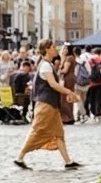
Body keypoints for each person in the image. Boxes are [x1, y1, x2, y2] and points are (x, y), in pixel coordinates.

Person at [13, 38, 82, 170]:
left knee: (58, 133)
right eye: (54, 47)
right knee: (37, 131)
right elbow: (53, 84)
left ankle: (68, 161)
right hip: (45, 105)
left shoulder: (47, 64)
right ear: (47, 49)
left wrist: (62, 56)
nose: (56, 49)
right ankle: (19, 157)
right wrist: (69, 92)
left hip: (51, 105)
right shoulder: (45, 65)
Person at [58, 43, 76, 125]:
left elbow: (65, 70)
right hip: (69, 78)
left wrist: (57, 71)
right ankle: (69, 116)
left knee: (64, 98)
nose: (64, 50)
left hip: (67, 79)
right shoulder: (70, 57)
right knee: (67, 97)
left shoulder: (68, 58)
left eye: (66, 48)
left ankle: (66, 117)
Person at [86, 48, 101, 120]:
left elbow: (87, 70)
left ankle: (93, 113)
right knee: (99, 99)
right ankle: (98, 113)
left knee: (92, 99)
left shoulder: (89, 59)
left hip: (92, 82)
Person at [72, 47, 91, 122]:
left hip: (77, 82)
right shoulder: (85, 60)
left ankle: (83, 114)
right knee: (83, 99)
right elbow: (89, 71)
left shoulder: (75, 61)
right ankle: (79, 115)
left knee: (78, 99)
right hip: (86, 83)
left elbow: (75, 73)